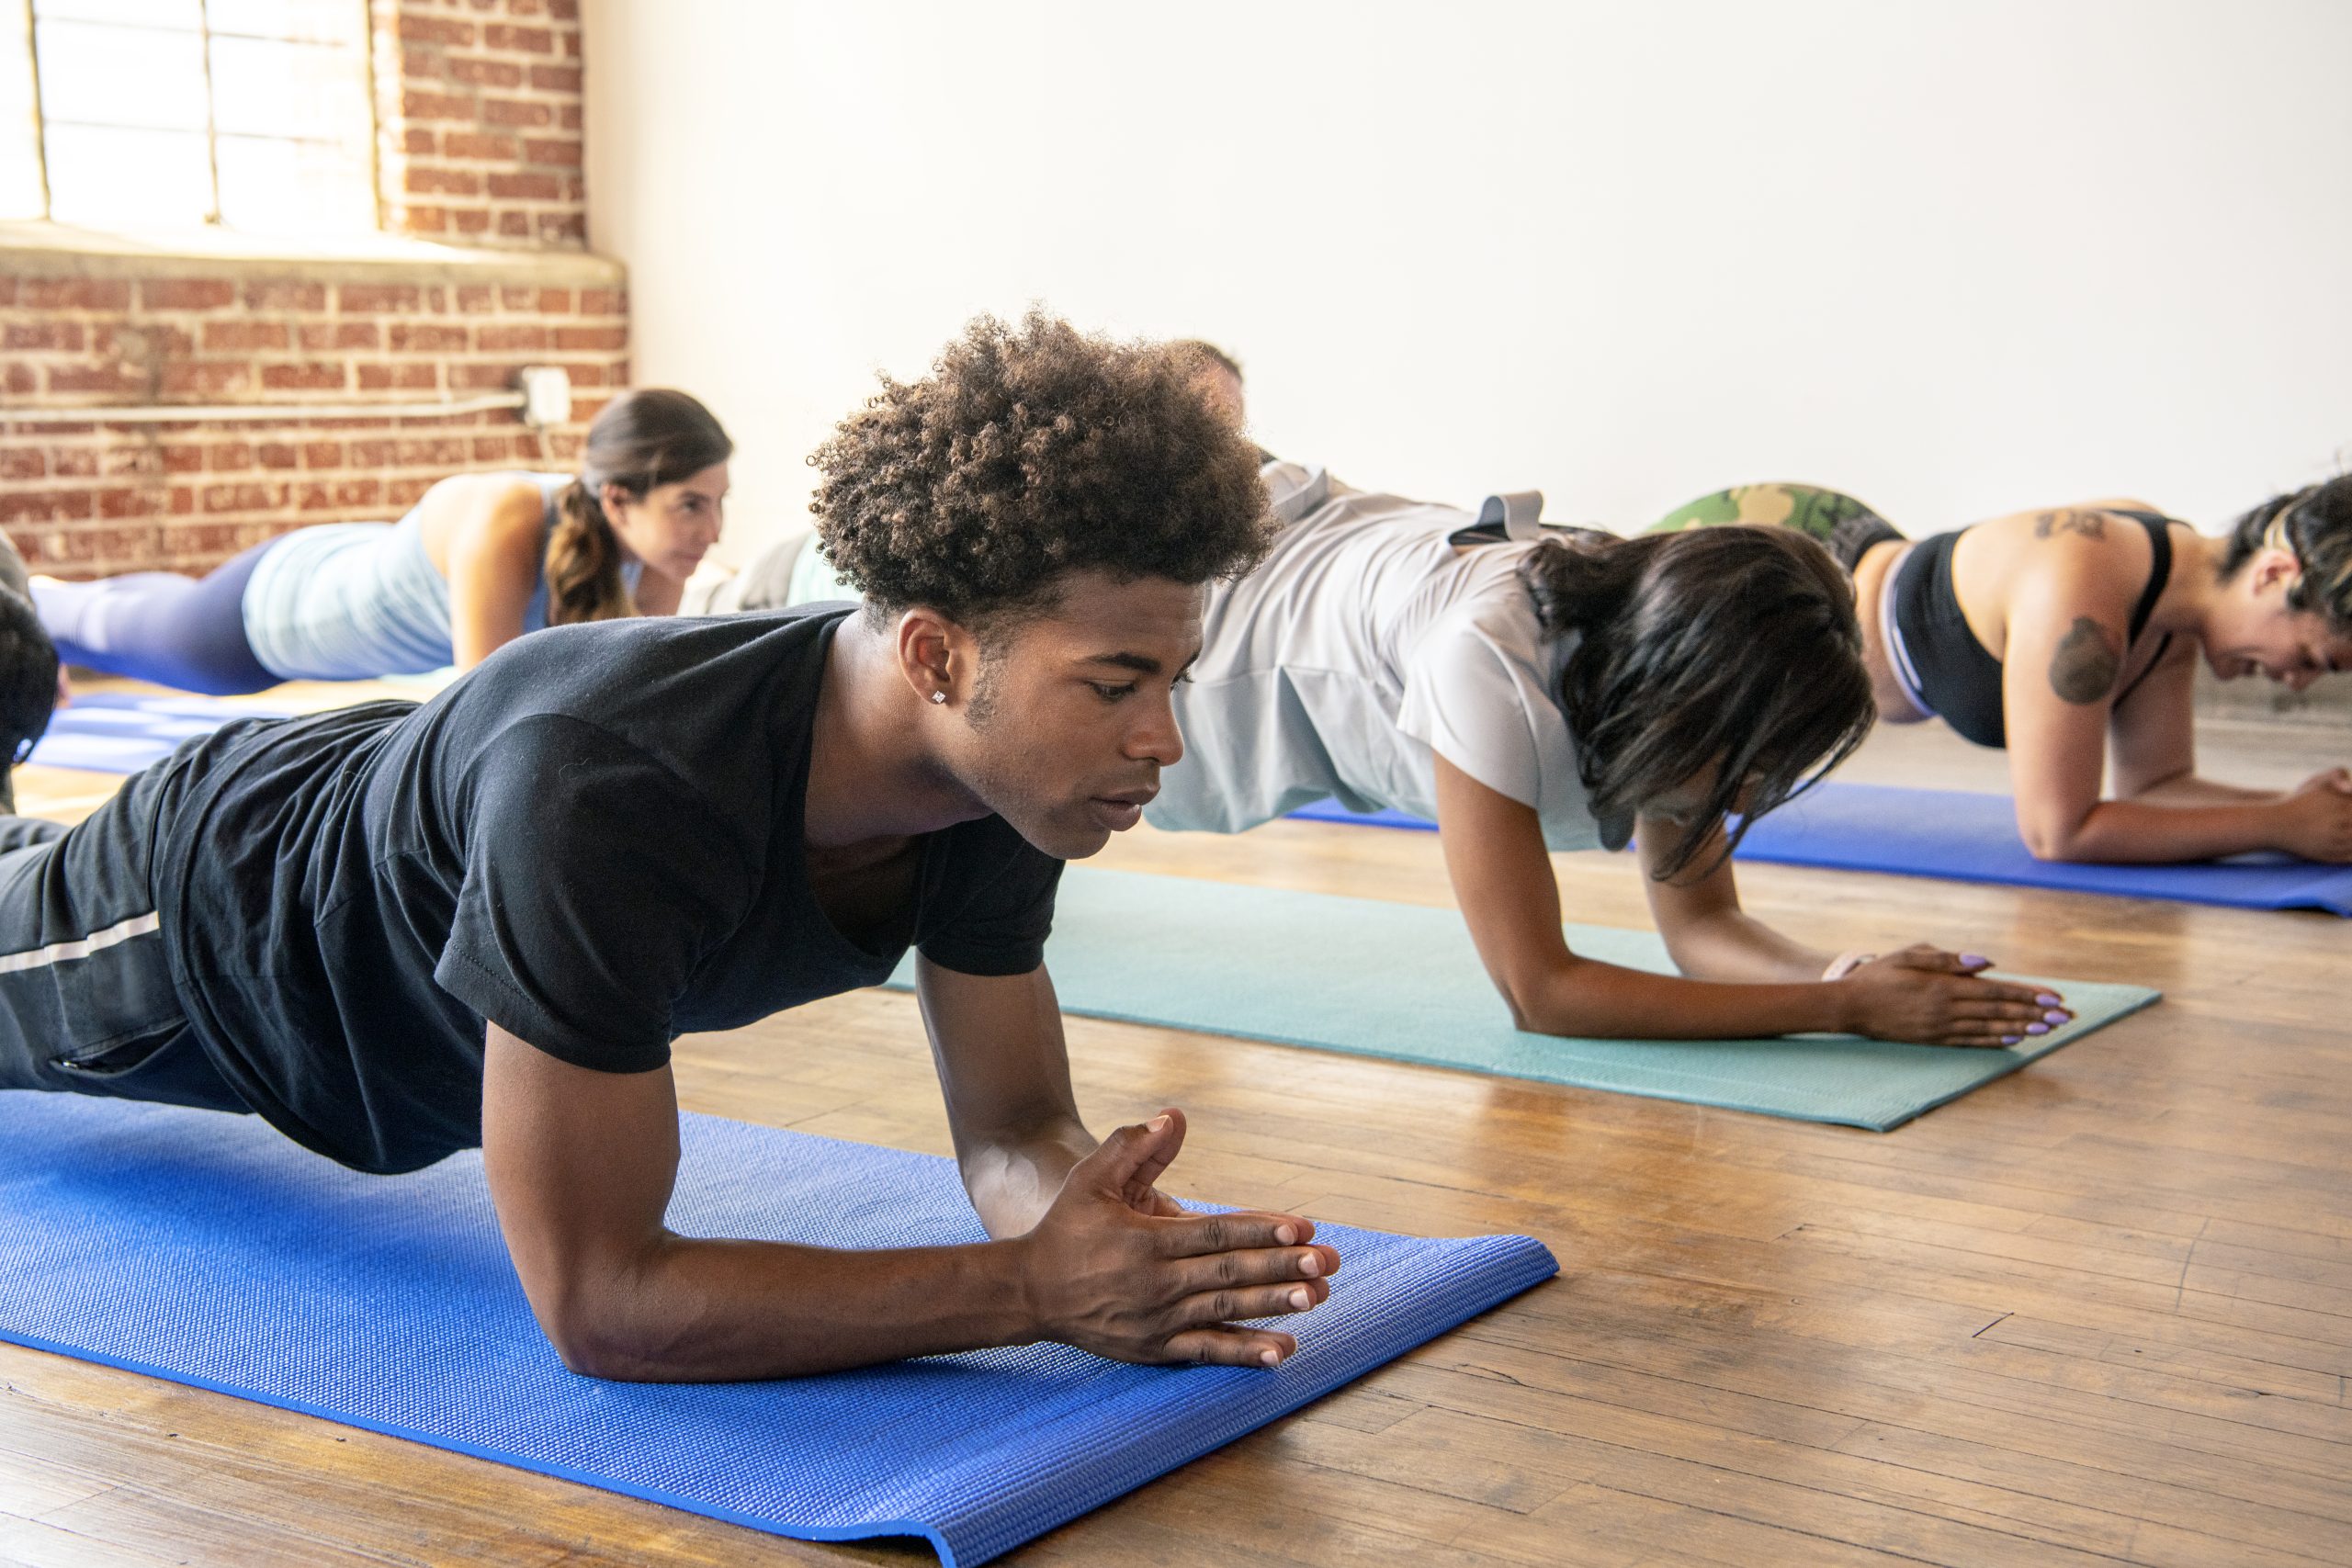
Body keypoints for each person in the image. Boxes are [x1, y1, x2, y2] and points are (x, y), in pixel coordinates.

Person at [0, 313, 1340, 1381]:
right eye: (1116, 684)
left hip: (396, 881)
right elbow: (605, 1301)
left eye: (1175, 679)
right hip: (204, 920)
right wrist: (1029, 1290)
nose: (1160, 738)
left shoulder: (1002, 776)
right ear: (937, 654)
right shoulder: (612, 791)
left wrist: (1098, 1232)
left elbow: (1011, 1130)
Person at [1650, 479, 2352, 863]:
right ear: (2274, 574)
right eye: (2314, 657)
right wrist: (2278, 827)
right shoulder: (2086, 594)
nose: (2296, 680)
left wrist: (2293, 806)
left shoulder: (2174, 599)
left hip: (1845, 551)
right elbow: (2059, 833)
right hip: (1763, 564)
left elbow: (2159, 788)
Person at [31, 389, 733, 695]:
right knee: (103, 628)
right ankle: (30, 599)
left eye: (720, 504)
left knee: (143, 609)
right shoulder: (508, 517)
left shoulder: (658, 551)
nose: (712, 532)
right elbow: (482, 715)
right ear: (618, 496)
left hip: (357, 563)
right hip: (284, 612)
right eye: (691, 506)